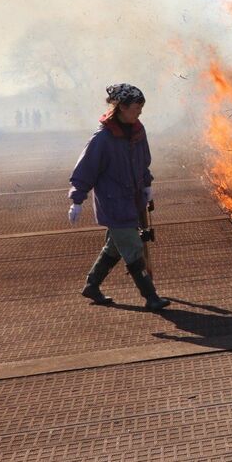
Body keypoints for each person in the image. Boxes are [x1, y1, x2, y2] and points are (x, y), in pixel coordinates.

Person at [67, 83, 170, 311]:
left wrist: (147, 186)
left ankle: (92, 285)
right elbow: (85, 170)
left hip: (132, 201)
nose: (139, 112)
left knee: (115, 247)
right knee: (133, 248)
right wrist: (77, 200)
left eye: (141, 109)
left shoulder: (137, 132)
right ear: (121, 107)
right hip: (113, 203)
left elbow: (143, 162)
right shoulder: (102, 139)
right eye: (136, 108)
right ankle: (151, 297)